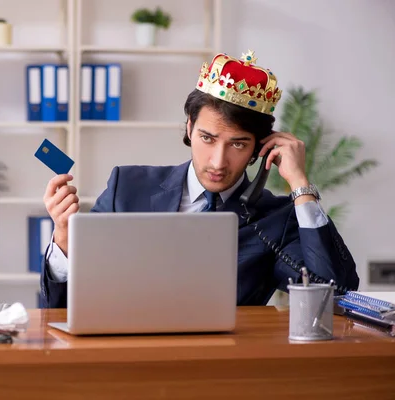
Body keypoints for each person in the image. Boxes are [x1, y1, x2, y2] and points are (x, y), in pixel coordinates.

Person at [40, 50, 359, 308]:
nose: (218, 162)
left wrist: (301, 187)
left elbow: (335, 295)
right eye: (207, 138)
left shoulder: (275, 218)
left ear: (260, 148)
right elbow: (59, 307)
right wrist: (65, 240)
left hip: (222, 369)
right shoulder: (128, 186)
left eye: (237, 144)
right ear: (189, 128)